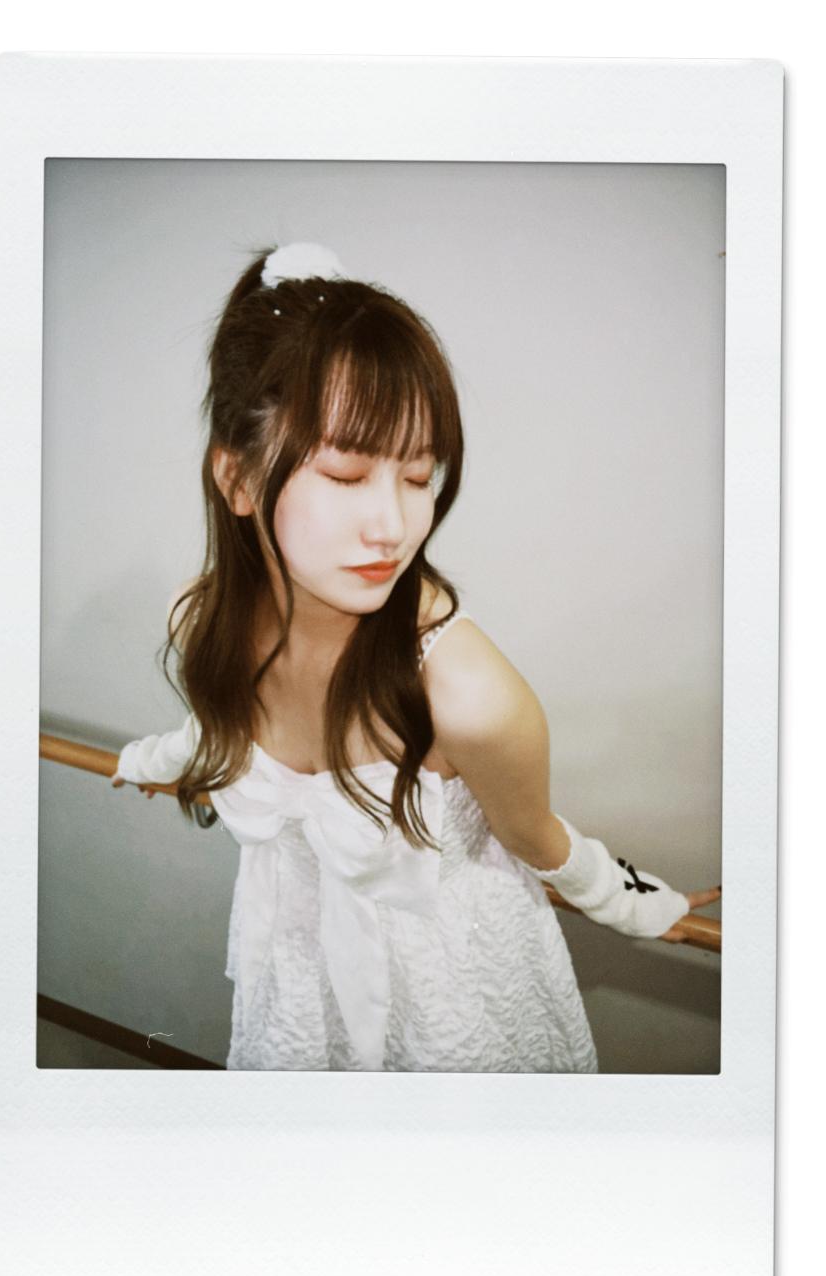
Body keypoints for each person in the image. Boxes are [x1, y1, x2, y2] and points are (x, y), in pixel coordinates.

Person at [112, 241, 719, 1073]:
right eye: (347, 474)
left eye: (418, 475)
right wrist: (146, 763)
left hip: (458, 992)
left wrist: (647, 906)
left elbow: (543, 843)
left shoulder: (466, 693)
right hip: (296, 970)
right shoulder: (203, 621)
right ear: (238, 479)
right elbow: (218, 727)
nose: (393, 527)